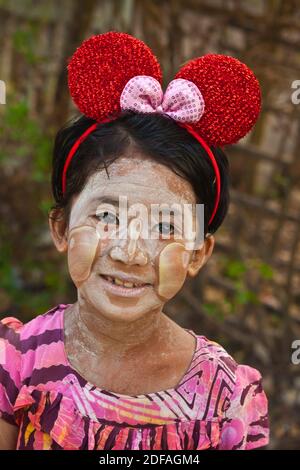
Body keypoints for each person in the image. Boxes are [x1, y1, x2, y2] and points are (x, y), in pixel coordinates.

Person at [0, 31, 269, 450]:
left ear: (198, 252)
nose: (130, 252)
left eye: (165, 226)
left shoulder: (227, 398)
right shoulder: (15, 364)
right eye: (107, 216)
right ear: (61, 229)